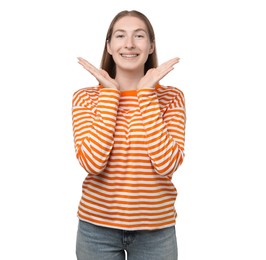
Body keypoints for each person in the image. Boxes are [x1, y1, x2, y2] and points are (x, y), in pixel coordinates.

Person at [72, 10, 186, 260]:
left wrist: (145, 94)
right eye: (120, 35)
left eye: (139, 36)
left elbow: (166, 164)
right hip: (96, 230)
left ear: (151, 45)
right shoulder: (87, 98)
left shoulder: (171, 98)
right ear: (109, 46)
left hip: (157, 232)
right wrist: (110, 96)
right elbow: (92, 163)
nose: (130, 44)